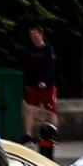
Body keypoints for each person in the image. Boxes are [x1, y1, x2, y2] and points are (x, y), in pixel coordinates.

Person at [21, 26, 59, 158]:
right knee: (29, 109)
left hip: (47, 86)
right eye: (32, 35)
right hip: (32, 85)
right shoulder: (29, 50)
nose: (34, 37)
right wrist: (27, 83)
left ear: (41, 35)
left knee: (51, 110)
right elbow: (26, 67)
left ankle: (52, 134)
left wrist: (44, 81)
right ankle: (28, 135)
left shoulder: (48, 50)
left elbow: (50, 68)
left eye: (36, 34)